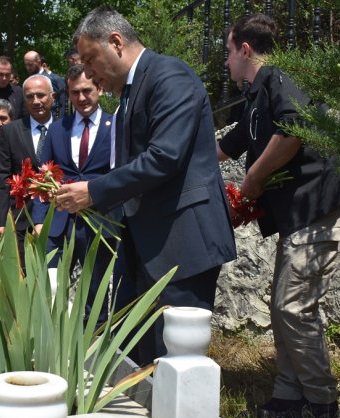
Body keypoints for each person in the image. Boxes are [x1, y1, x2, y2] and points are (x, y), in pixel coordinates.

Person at [54, 6, 237, 366]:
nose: (88, 72)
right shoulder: (131, 92)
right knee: (143, 356)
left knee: (176, 357)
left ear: (116, 42)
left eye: (91, 60)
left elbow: (164, 157)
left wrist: (93, 191)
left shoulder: (170, 77)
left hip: (181, 244)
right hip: (147, 245)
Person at [218, 14, 340, 418]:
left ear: (246, 50)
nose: (226, 62)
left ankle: (322, 407)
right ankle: (287, 397)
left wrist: (251, 182)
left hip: (320, 209)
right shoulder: (254, 100)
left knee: (293, 307)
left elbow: (294, 129)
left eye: (228, 52)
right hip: (299, 217)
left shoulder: (281, 79)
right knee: (284, 308)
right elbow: (222, 150)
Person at [32, 64, 114, 324]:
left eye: (87, 91)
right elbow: (43, 175)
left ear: (100, 89)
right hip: (58, 224)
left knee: (95, 296)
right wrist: (38, 220)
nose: (81, 98)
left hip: (99, 222)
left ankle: (93, 354)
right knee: (51, 293)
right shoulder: (58, 129)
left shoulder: (116, 126)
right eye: (75, 92)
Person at [0, 75, 55, 264]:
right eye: (29, 96)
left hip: (57, 216)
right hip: (20, 217)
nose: (36, 101)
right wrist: (1, 221)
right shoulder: (11, 131)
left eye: (41, 95)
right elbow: (2, 176)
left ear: (52, 96)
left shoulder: (64, 128)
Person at [24, 50, 67, 120]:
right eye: (26, 65)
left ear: (39, 62)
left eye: (30, 64)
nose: (28, 68)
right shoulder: (28, 81)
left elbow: (62, 103)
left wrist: (59, 122)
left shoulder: (55, 79)